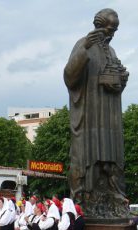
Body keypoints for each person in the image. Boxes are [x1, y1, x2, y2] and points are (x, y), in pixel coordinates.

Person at [64, 9, 129, 216]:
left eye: (115, 30)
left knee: (112, 158)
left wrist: (121, 81)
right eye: (111, 29)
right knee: (86, 158)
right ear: (99, 25)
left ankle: (113, 199)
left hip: (108, 120)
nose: (112, 34)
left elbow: (115, 82)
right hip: (90, 115)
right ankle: (85, 201)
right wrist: (84, 48)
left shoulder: (112, 52)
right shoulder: (84, 44)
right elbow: (69, 77)